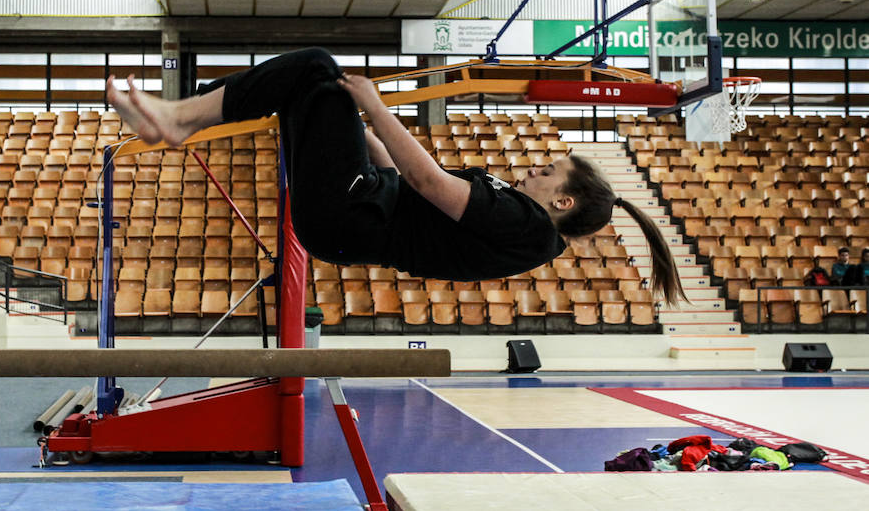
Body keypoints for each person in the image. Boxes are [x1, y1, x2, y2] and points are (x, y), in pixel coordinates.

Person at [106, 48, 687, 305]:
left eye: (547, 171)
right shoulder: (522, 224)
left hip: (350, 216)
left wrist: (377, 106)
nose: (534, 168)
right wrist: (361, 130)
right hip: (354, 210)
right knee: (312, 87)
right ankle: (179, 118)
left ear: (562, 201)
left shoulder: (526, 225)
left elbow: (431, 183)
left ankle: (178, 119)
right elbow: (408, 185)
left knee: (316, 67)